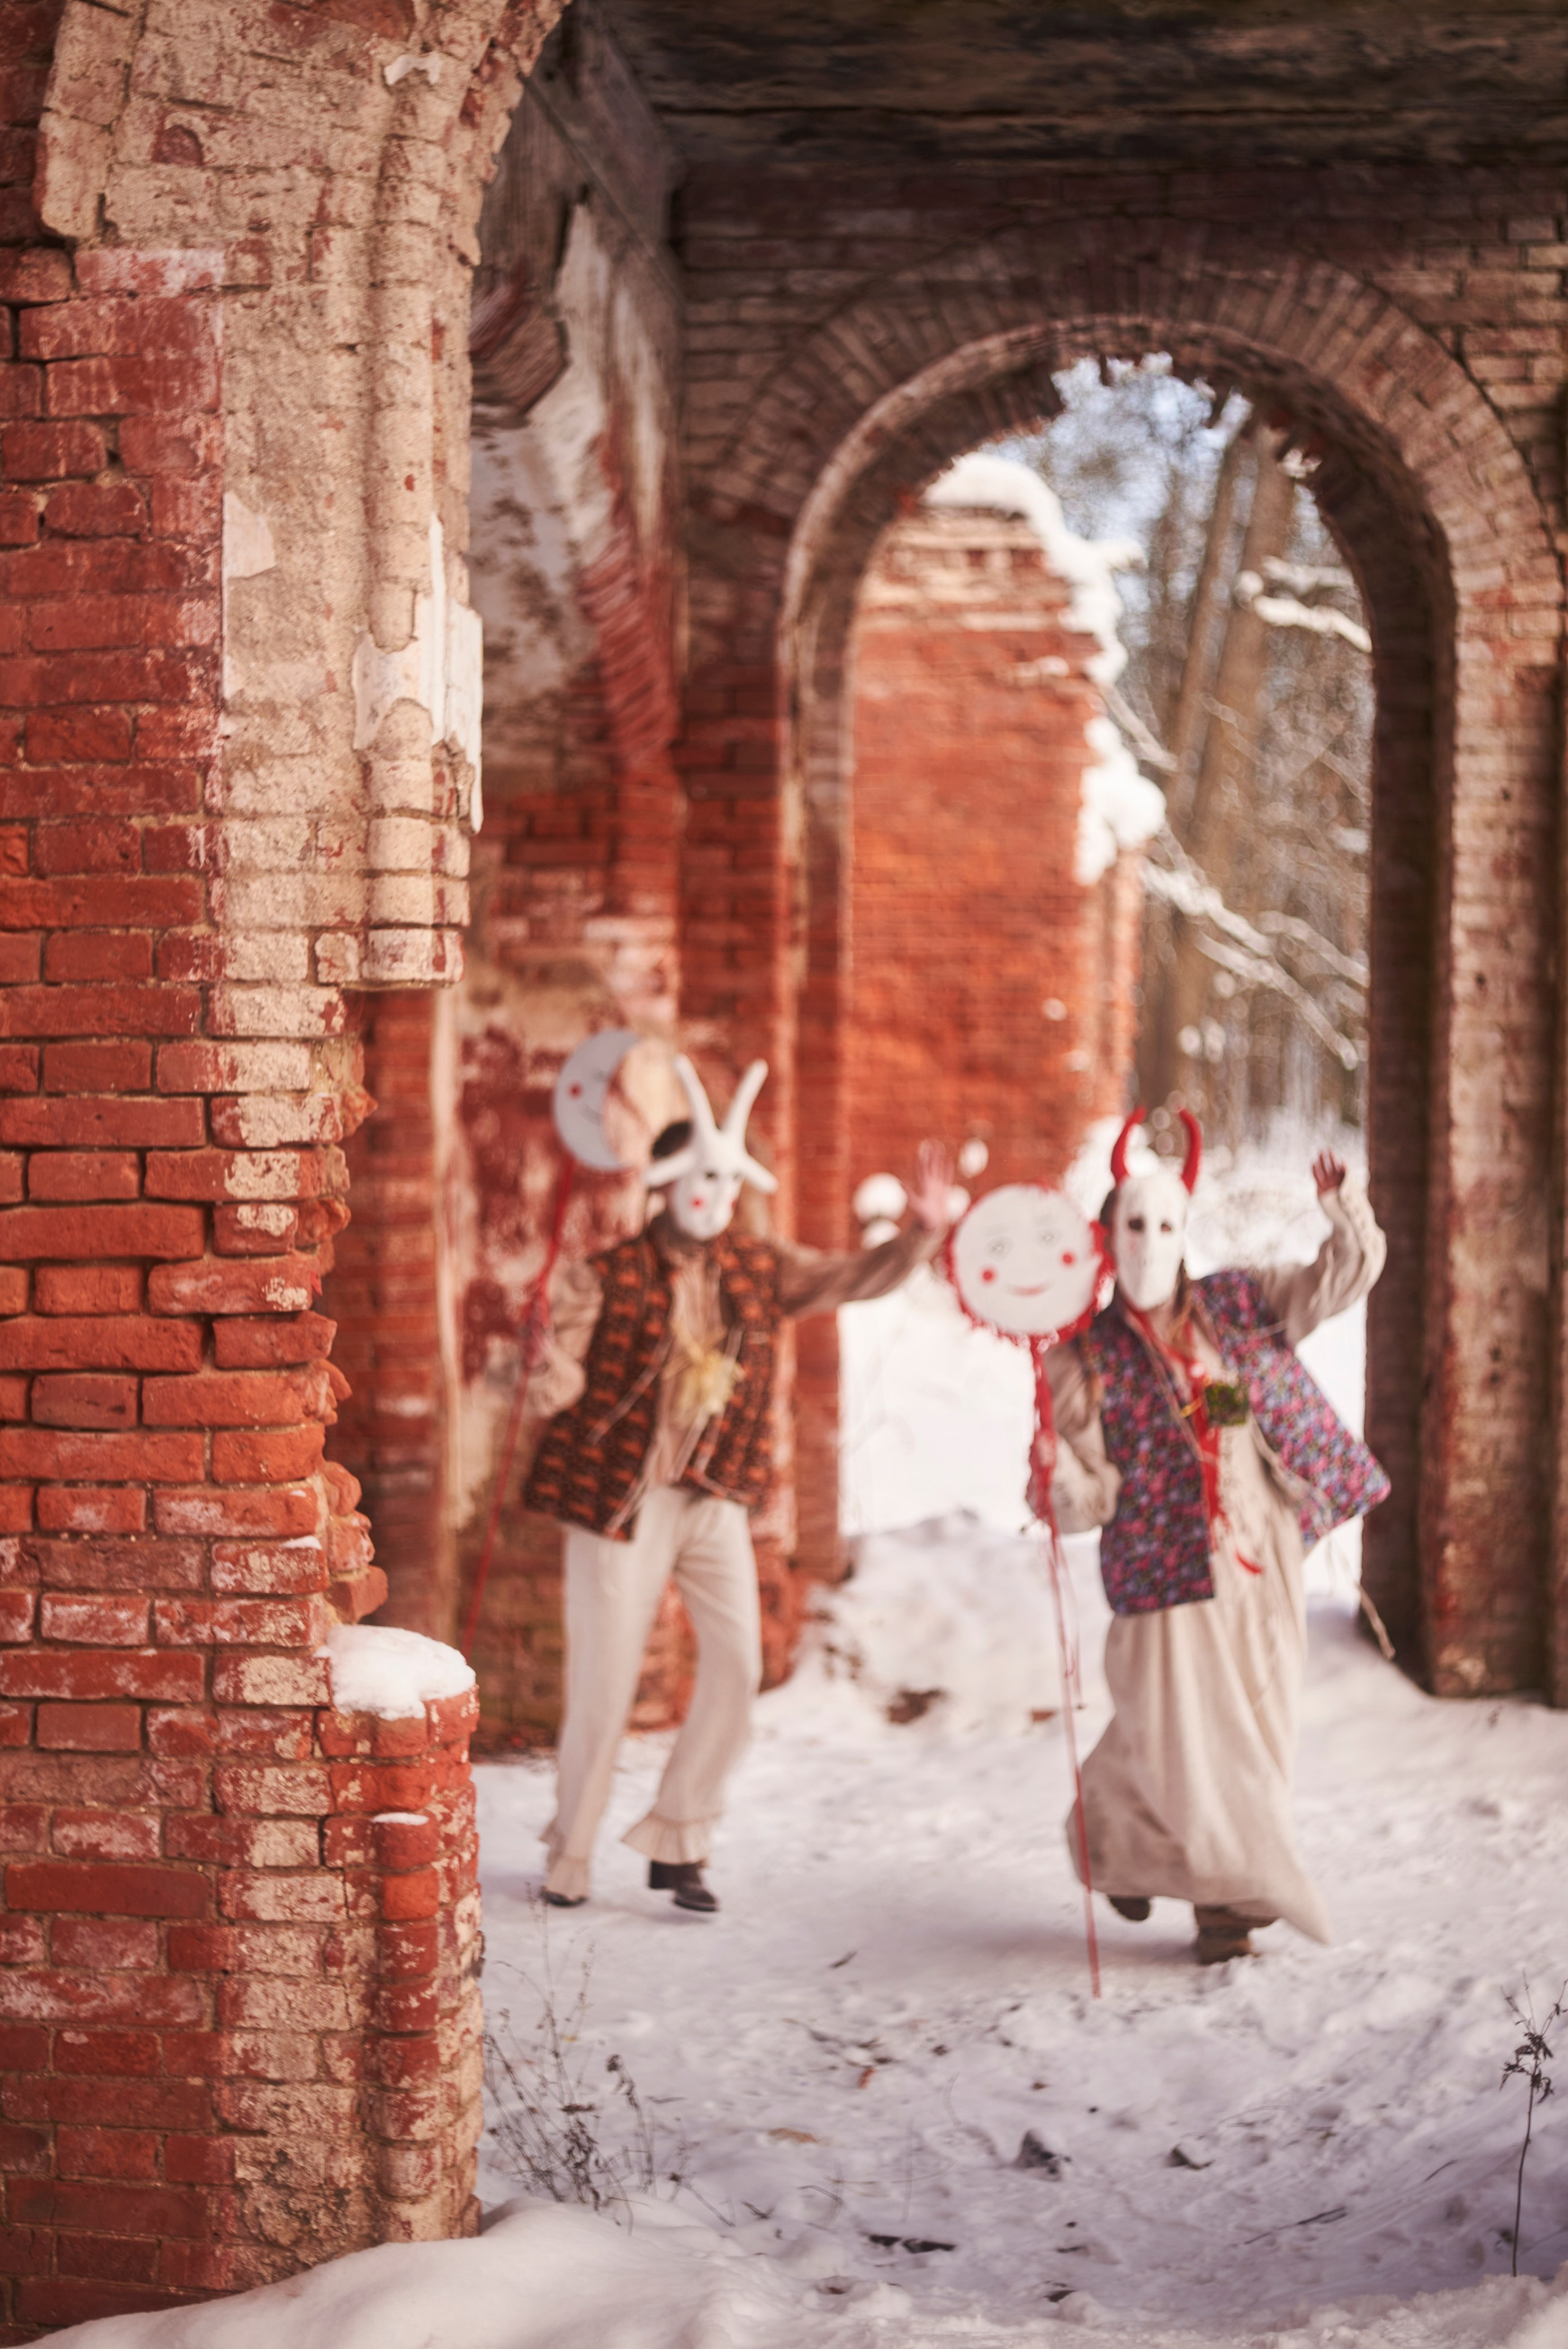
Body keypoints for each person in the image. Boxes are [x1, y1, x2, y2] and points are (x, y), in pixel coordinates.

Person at [524, 1054, 953, 1913]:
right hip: (621, 1504)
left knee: (736, 1664)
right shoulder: (605, 1276)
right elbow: (552, 1380)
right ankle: (570, 1858)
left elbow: (850, 1278)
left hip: (713, 1498)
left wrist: (922, 1236)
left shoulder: (760, 1267)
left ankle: (681, 1840)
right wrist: (538, 1365)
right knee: (603, 1684)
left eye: (728, 1183)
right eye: (699, 1180)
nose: (715, 1198)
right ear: (666, 1185)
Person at [1037, 1110, 1389, 1964]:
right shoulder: (1082, 1359)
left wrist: (1348, 1213)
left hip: (1260, 1546)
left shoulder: (1241, 1303)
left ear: (1186, 1231)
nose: (1151, 1243)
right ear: (1107, 1236)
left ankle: (1115, 1839)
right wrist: (1063, 1481)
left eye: (1166, 1225)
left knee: (1256, 1718)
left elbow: (1340, 1282)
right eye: (1134, 1224)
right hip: (1161, 1568)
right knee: (1193, 1733)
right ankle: (1233, 1905)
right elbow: (1083, 1498)